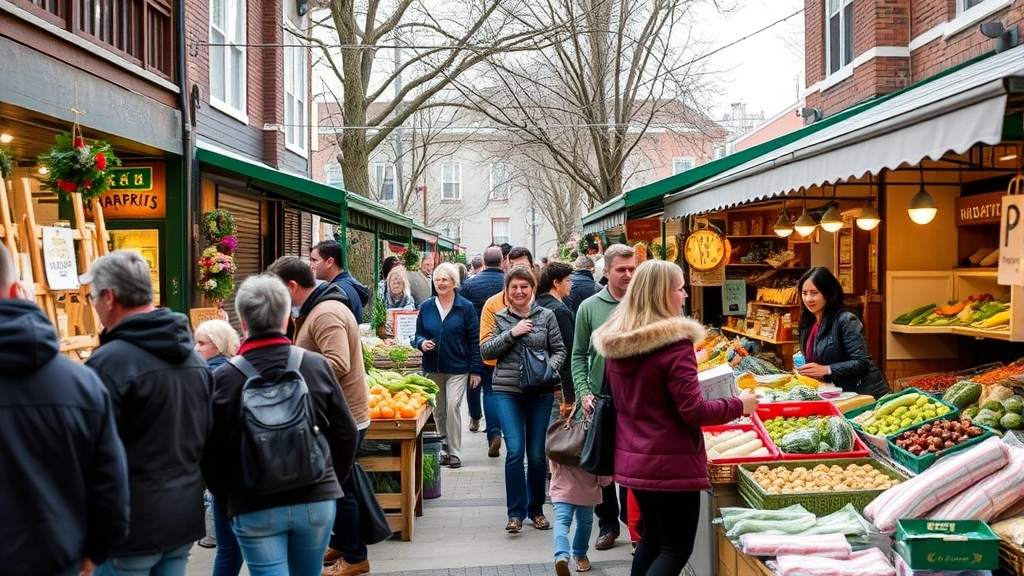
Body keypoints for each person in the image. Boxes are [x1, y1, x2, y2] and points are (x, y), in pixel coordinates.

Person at [592, 260, 760, 576]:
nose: (684, 296)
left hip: (634, 457)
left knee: (653, 539)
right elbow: (692, 411)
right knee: (675, 548)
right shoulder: (674, 344)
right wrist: (739, 405)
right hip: (670, 461)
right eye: (680, 289)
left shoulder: (617, 341)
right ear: (661, 294)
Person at [203, 274, 359, 576]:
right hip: (316, 498)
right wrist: (330, 480)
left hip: (253, 501)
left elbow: (208, 450)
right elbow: (346, 432)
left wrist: (226, 496)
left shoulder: (223, 378)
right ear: (288, 318)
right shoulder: (315, 366)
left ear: (243, 324)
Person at [0, 243, 129, 576]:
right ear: (17, 290)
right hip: (54, 556)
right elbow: (110, 487)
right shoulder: (82, 384)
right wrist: (92, 552)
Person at [83, 250, 212, 576]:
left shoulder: (109, 363)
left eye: (92, 298)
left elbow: (89, 455)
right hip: (180, 518)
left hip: (127, 528)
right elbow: (208, 438)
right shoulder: (194, 358)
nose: (94, 306)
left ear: (109, 297)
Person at [266, 256, 372, 576]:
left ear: (291, 286)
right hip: (335, 412)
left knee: (338, 488)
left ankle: (355, 557)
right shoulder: (317, 307)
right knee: (340, 484)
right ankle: (343, 544)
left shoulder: (325, 313)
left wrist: (292, 373)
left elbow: (336, 363)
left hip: (341, 415)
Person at [481, 266, 566, 534]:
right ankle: (515, 513)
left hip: (539, 392)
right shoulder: (501, 317)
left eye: (524, 287)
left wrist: (549, 369)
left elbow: (560, 350)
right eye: (514, 287)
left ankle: (536, 510)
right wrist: (512, 333)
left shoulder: (547, 316)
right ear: (506, 292)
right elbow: (486, 350)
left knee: (538, 454)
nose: (519, 292)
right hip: (507, 391)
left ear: (532, 289)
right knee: (515, 451)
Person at [571, 244, 635, 551]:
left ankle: (637, 526)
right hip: (601, 398)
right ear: (606, 271)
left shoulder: (643, 305)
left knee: (635, 464)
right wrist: (584, 392)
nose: (627, 275)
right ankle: (608, 524)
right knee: (603, 464)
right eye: (621, 269)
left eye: (632, 269)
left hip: (637, 398)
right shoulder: (590, 307)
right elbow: (578, 355)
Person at [413, 262, 483, 469]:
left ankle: (455, 452)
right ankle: (443, 448)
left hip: (458, 367)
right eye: (437, 280)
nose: (440, 283)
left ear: (454, 282)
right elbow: (418, 334)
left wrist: (476, 370)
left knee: (453, 407)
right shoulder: (426, 307)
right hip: (433, 366)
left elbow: (474, 339)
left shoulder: (466, 308)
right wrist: (421, 343)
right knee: (439, 411)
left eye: (444, 279)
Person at [193, 320, 243, 575]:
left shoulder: (212, 375)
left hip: (222, 474)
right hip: (239, 471)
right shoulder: (239, 370)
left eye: (202, 343)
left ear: (219, 344)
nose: (196, 348)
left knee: (228, 548)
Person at [795, 267, 889, 398]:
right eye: (804, 293)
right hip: (833, 394)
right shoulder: (808, 322)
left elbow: (862, 363)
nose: (808, 299)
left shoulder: (846, 320)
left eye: (814, 293)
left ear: (828, 293)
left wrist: (827, 370)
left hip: (862, 395)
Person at [477, 246, 533, 457]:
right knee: (517, 448)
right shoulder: (494, 303)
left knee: (490, 394)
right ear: (504, 265)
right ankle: (500, 437)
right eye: (515, 266)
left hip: (533, 372)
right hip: (499, 365)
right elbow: (486, 345)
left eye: (524, 267)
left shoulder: (541, 304)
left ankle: (493, 433)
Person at [460, 246, 506, 438]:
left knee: (477, 381)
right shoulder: (508, 283)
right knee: (499, 387)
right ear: (502, 262)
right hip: (505, 339)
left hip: (477, 338)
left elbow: (462, 311)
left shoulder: (470, 284)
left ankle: (475, 417)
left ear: (484, 263)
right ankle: (497, 427)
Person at [550, 455, 609, 576]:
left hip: (562, 486)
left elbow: (553, 456)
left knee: (562, 521)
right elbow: (604, 476)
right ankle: (580, 555)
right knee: (585, 522)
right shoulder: (593, 439)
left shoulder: (563, 436)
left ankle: (561, 556)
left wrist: (555, 472)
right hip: (587, 489)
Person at [535, 261, 576, 419]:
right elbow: (568, 350)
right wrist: (570, 393)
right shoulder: (559, 311)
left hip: (538, 376)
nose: (570, 284)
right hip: (557, 382)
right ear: (556, 283)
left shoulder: (538, 304)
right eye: (568, 280)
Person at [310, 240, 370, 323]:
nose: (311, 265)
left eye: (314, 260)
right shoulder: (347, 285)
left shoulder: (337, 292)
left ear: (330, 262)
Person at [381, 266, 416, 338]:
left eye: (398, 283)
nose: (396, 286)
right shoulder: (382, 294)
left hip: (402, 334)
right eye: (393, 283)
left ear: (404, 284)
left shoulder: (408, 299)